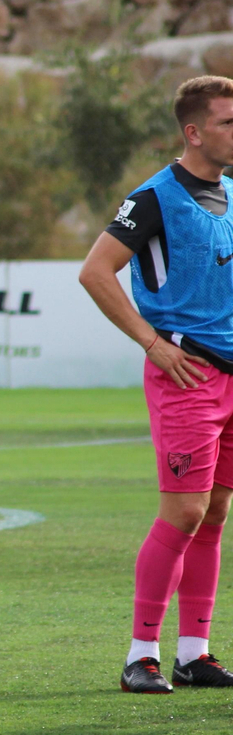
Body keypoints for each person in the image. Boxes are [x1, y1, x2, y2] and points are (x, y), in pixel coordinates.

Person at [78, 75, 233, 694]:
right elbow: (95, 272)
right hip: (186, 374)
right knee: (184, 511)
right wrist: (152, 343)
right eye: (227, 122)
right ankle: (140, 653)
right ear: (193, 132)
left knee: (216, 512)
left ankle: (193, 653)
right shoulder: (152, 198)